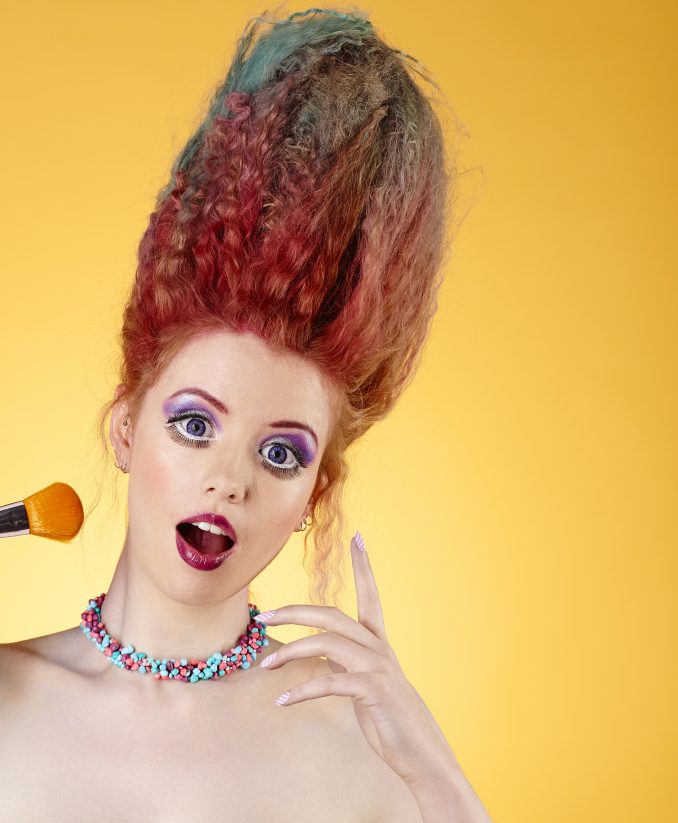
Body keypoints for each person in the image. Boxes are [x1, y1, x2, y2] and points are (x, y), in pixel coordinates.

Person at [0, 8, 492, 821]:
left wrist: (433, 770)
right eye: (195, 424)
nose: (229, 480)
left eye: (281, 454)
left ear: (313, 496)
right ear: (125, 428)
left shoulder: (358, 739)